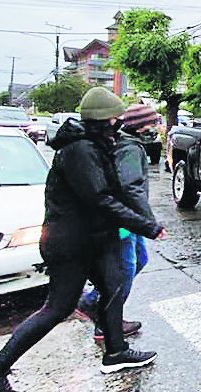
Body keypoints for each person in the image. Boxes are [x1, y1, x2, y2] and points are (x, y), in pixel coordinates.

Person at [0, 87, 167, 392]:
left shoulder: (96, 144)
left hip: (95, 239)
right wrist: (148, 226)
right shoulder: (80, 151)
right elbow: (100, 198)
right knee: (57, 308)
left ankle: (116, 352)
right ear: (103, 121)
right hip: (70, 244)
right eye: (114, 119)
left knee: (113, 286)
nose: (118, 124)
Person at [75, 103, 161, 342]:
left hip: (128, 219)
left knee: (138, 260)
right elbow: (130, 187)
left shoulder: (127, 143)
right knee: (125, 268)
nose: (156, 128)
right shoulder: (130, 148)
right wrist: (149, 223)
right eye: (152, 123)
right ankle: (104, 318)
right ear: (141, 126)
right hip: (124, 220)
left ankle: (98, 306)